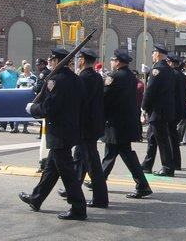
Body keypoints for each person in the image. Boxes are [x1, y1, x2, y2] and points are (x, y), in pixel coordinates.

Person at [19, 47, 87, 221]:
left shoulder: (55, 80)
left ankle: (78, 207)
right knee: (51, 169)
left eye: (52, 59)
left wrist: (33, 108)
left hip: (59, 132)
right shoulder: (76, 79)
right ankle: (37, 198)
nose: (50, 62)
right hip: (71, 129)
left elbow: (50, 108)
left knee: (67, 173)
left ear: (57, 61)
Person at [100, 49, 152, 198]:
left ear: (117, 61)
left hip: (116, 121)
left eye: (112, 60)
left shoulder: (114, 76)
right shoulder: (131, 76)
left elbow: (105, 97)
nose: (111, 62)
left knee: (122, 153)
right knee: (115, 152)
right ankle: (100, 179)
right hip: (127, 120)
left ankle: (142, 185)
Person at [66, 48, 108, 208]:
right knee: (79, 158)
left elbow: (79, 102)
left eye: (79, 58)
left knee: (92, 163)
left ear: (82, 60)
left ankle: (100, 198)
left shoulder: (82, 78)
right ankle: (74, 189)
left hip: (86, 125)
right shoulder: (96, 77)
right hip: (94, 123)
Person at [141, 44, 175, 177]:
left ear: (158, 54)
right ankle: (147, 164)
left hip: (157, 111)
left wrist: (143, 106)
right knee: (152, 138)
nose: (152, 55)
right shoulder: (168, 69)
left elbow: (150, 91)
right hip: (164, 110)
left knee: (162, 140)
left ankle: (167, 167)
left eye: (153, 52)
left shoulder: (157, 69)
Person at [166, 53, 186, 170]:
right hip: (180, 109)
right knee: (173, 136)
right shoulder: (183, 76)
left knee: (170, 137)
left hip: (171, 109)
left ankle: (172, 162)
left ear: (170, 62)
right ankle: (176, 162)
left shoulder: (171, 75)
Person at [0, 60, 19, 132]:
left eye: (10, 64)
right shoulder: (3, 72)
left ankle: (12, 126)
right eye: (7, 64)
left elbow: (22, 76)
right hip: (4, 93)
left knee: (12, 110)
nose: (9, 65)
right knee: (4, 109)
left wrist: (16, 70)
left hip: (14, 93)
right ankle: (2, 126)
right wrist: (1, 70)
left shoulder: (15, 72)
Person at [13, 63, 37, 134]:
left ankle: (25, 128)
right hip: (20, 96)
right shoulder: (20, 76)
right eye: (25, 68)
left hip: (28, 96)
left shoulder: (34, 77)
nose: (26, 69)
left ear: (30, 69)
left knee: (26, 112)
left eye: (27, 68)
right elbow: (17, 86)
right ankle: (15, 127)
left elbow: (35, 87)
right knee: (17, 111)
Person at [33, 58, 51, 139]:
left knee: (38, 113)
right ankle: (42, 133)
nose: (37, 66)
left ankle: (44, 132)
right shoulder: (49, 72)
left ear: (43, 64)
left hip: (42, 96)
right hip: (47, 96)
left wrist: (33, 88)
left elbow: (38, 87)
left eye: (39, 65)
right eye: (37, 65)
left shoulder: (43, 73)